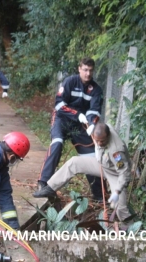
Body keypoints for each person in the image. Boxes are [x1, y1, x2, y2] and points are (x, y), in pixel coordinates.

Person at [33, 123, 132, 222]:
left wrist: (117, 191)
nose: (99, 143)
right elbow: (94, 122)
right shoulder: (100, 130)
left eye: (102, 141)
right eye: (97, 140)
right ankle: (50, 188)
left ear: (108, 136)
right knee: (74, 162)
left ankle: (131, 228)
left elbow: (124, 173)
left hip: (115, 174)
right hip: (102, 164)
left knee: (120, 207)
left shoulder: (117, 151)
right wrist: (89, 124)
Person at [37, 57, 104, 201]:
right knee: (57, 142)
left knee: (91, 154)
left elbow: (95, 110)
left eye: (90, 71)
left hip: (80, 124)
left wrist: (92, 122)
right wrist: (77, 114)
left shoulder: (96, 90)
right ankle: (43, 183)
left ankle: (99, 195)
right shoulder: (70, 82)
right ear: (79, 69)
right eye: (85, 70)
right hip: (62, 118)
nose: (88, 74)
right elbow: (59, 105)